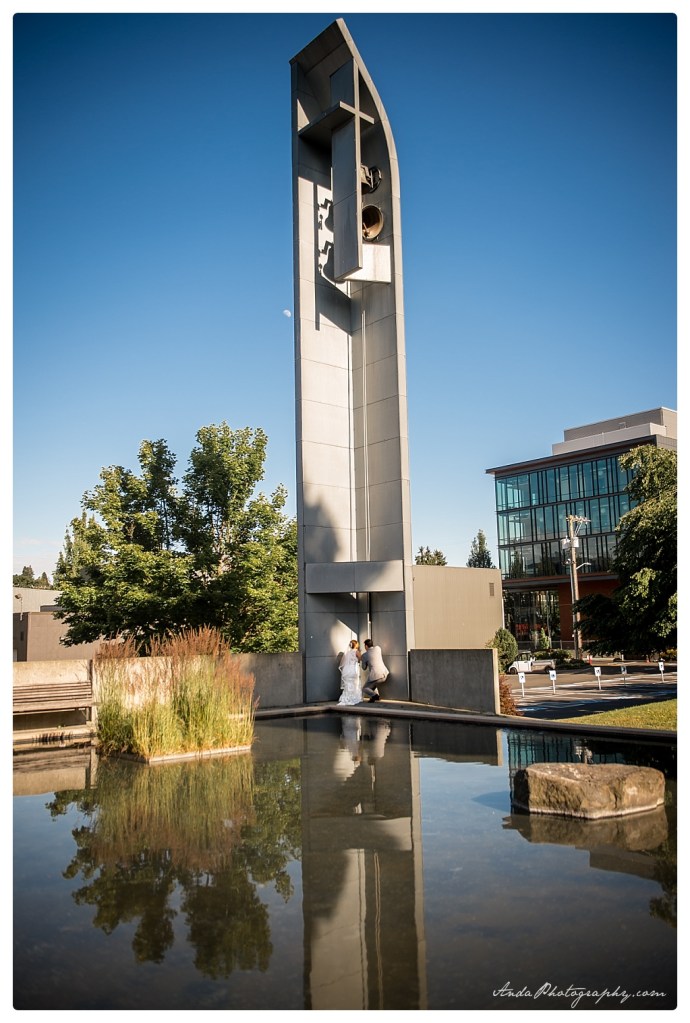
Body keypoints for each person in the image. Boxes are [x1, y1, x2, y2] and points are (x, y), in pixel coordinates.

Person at [337, 639, 362, 705]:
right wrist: (358, 660)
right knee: (354, 683)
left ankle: (346, 697)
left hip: (346, 669)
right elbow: (360, 658)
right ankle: (353, 697)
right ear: (356, 645)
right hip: (353, 669)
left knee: (348, 684)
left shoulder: (347, 652)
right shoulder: (356, 651)